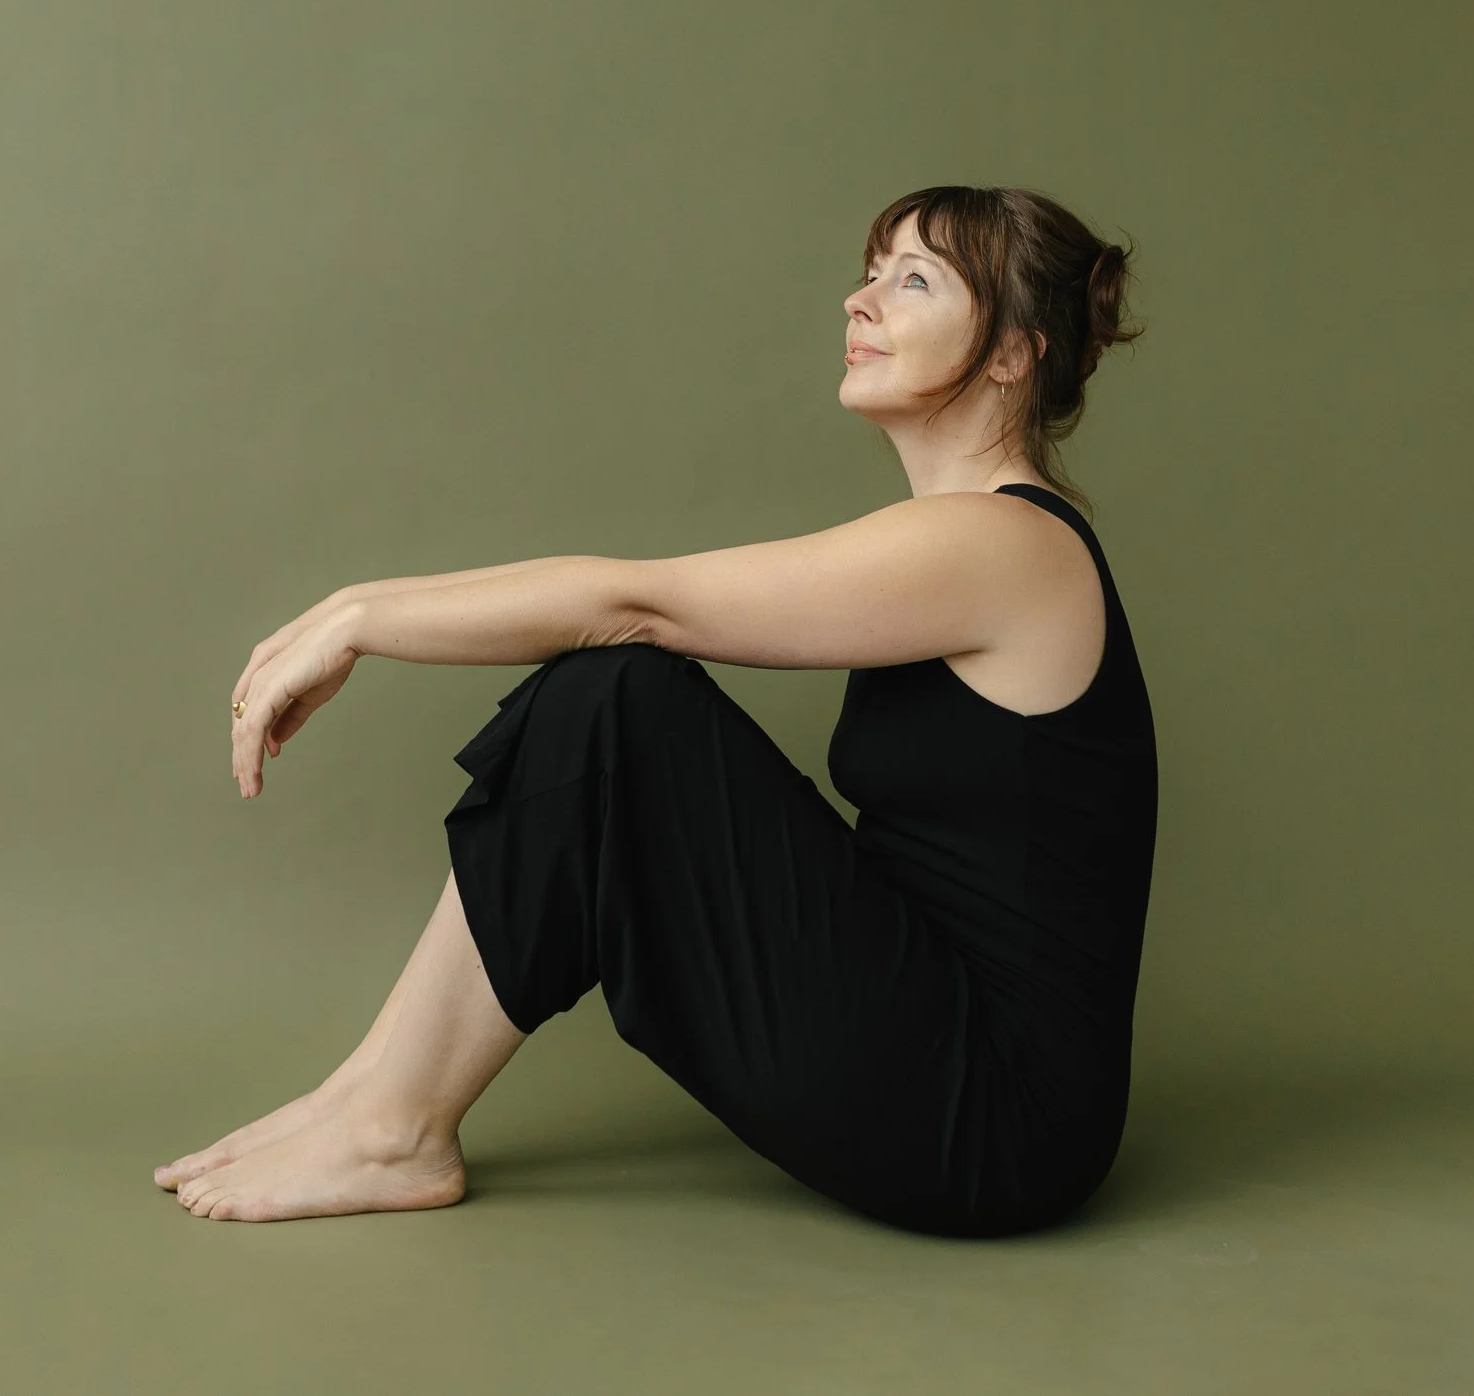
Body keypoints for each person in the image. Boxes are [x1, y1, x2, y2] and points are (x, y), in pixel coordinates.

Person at [153, 184, 1156, 1237]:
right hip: (931, 1031)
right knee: (607, 693)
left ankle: (390, 1122)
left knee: (617, 694)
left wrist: (357, 613)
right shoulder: (962, 538)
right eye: (870, 270)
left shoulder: (1006, 546)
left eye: (913, 280)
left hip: (998, 1123)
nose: (860, 301)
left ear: (1012, 354)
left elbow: (635, 604)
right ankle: (369, 1097)